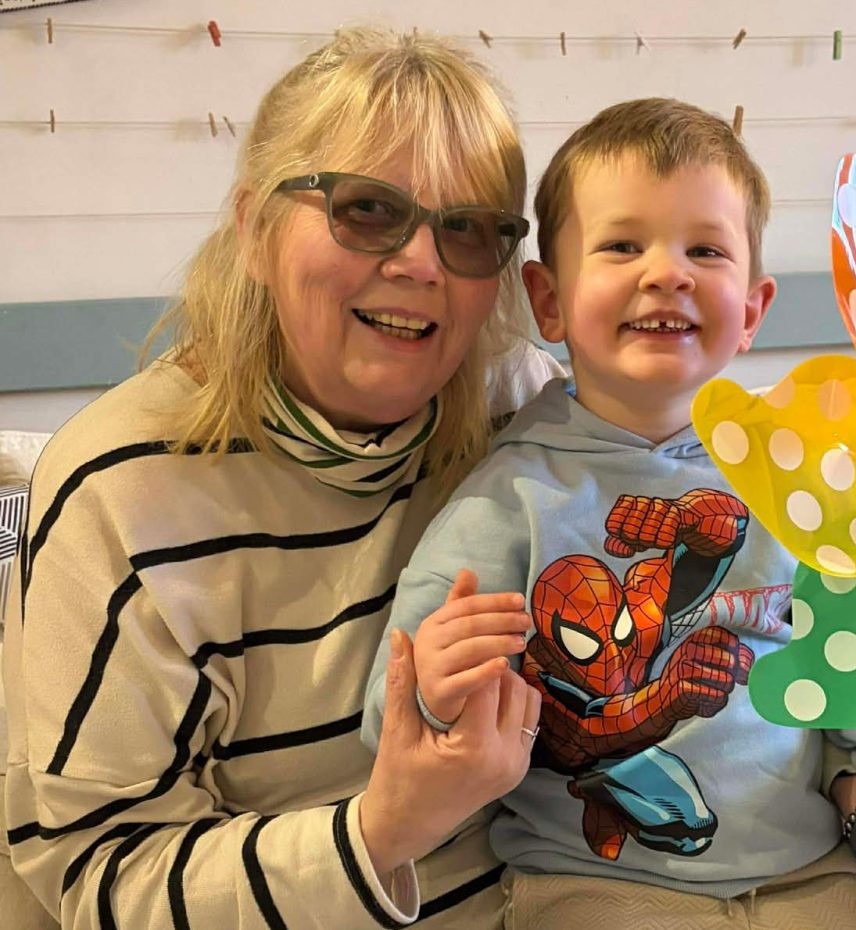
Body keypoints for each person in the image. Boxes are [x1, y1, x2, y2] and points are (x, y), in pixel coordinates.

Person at [363, 98, 856, 930]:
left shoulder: (802, 479)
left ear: (751, 310)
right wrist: (431, 690)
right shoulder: (507, 499)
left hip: (809, 873)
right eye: (622, 245)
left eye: (705, 250)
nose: (666, 273)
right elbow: (388, 720)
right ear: (548, 299)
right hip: (590, 886)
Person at [2, 28, 560, 930]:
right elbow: (98, 870)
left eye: (466, 229)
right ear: (255, 230)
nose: (421, 263)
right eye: (367, 209)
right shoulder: (119, 490)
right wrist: (381, 832)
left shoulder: (525, 413)